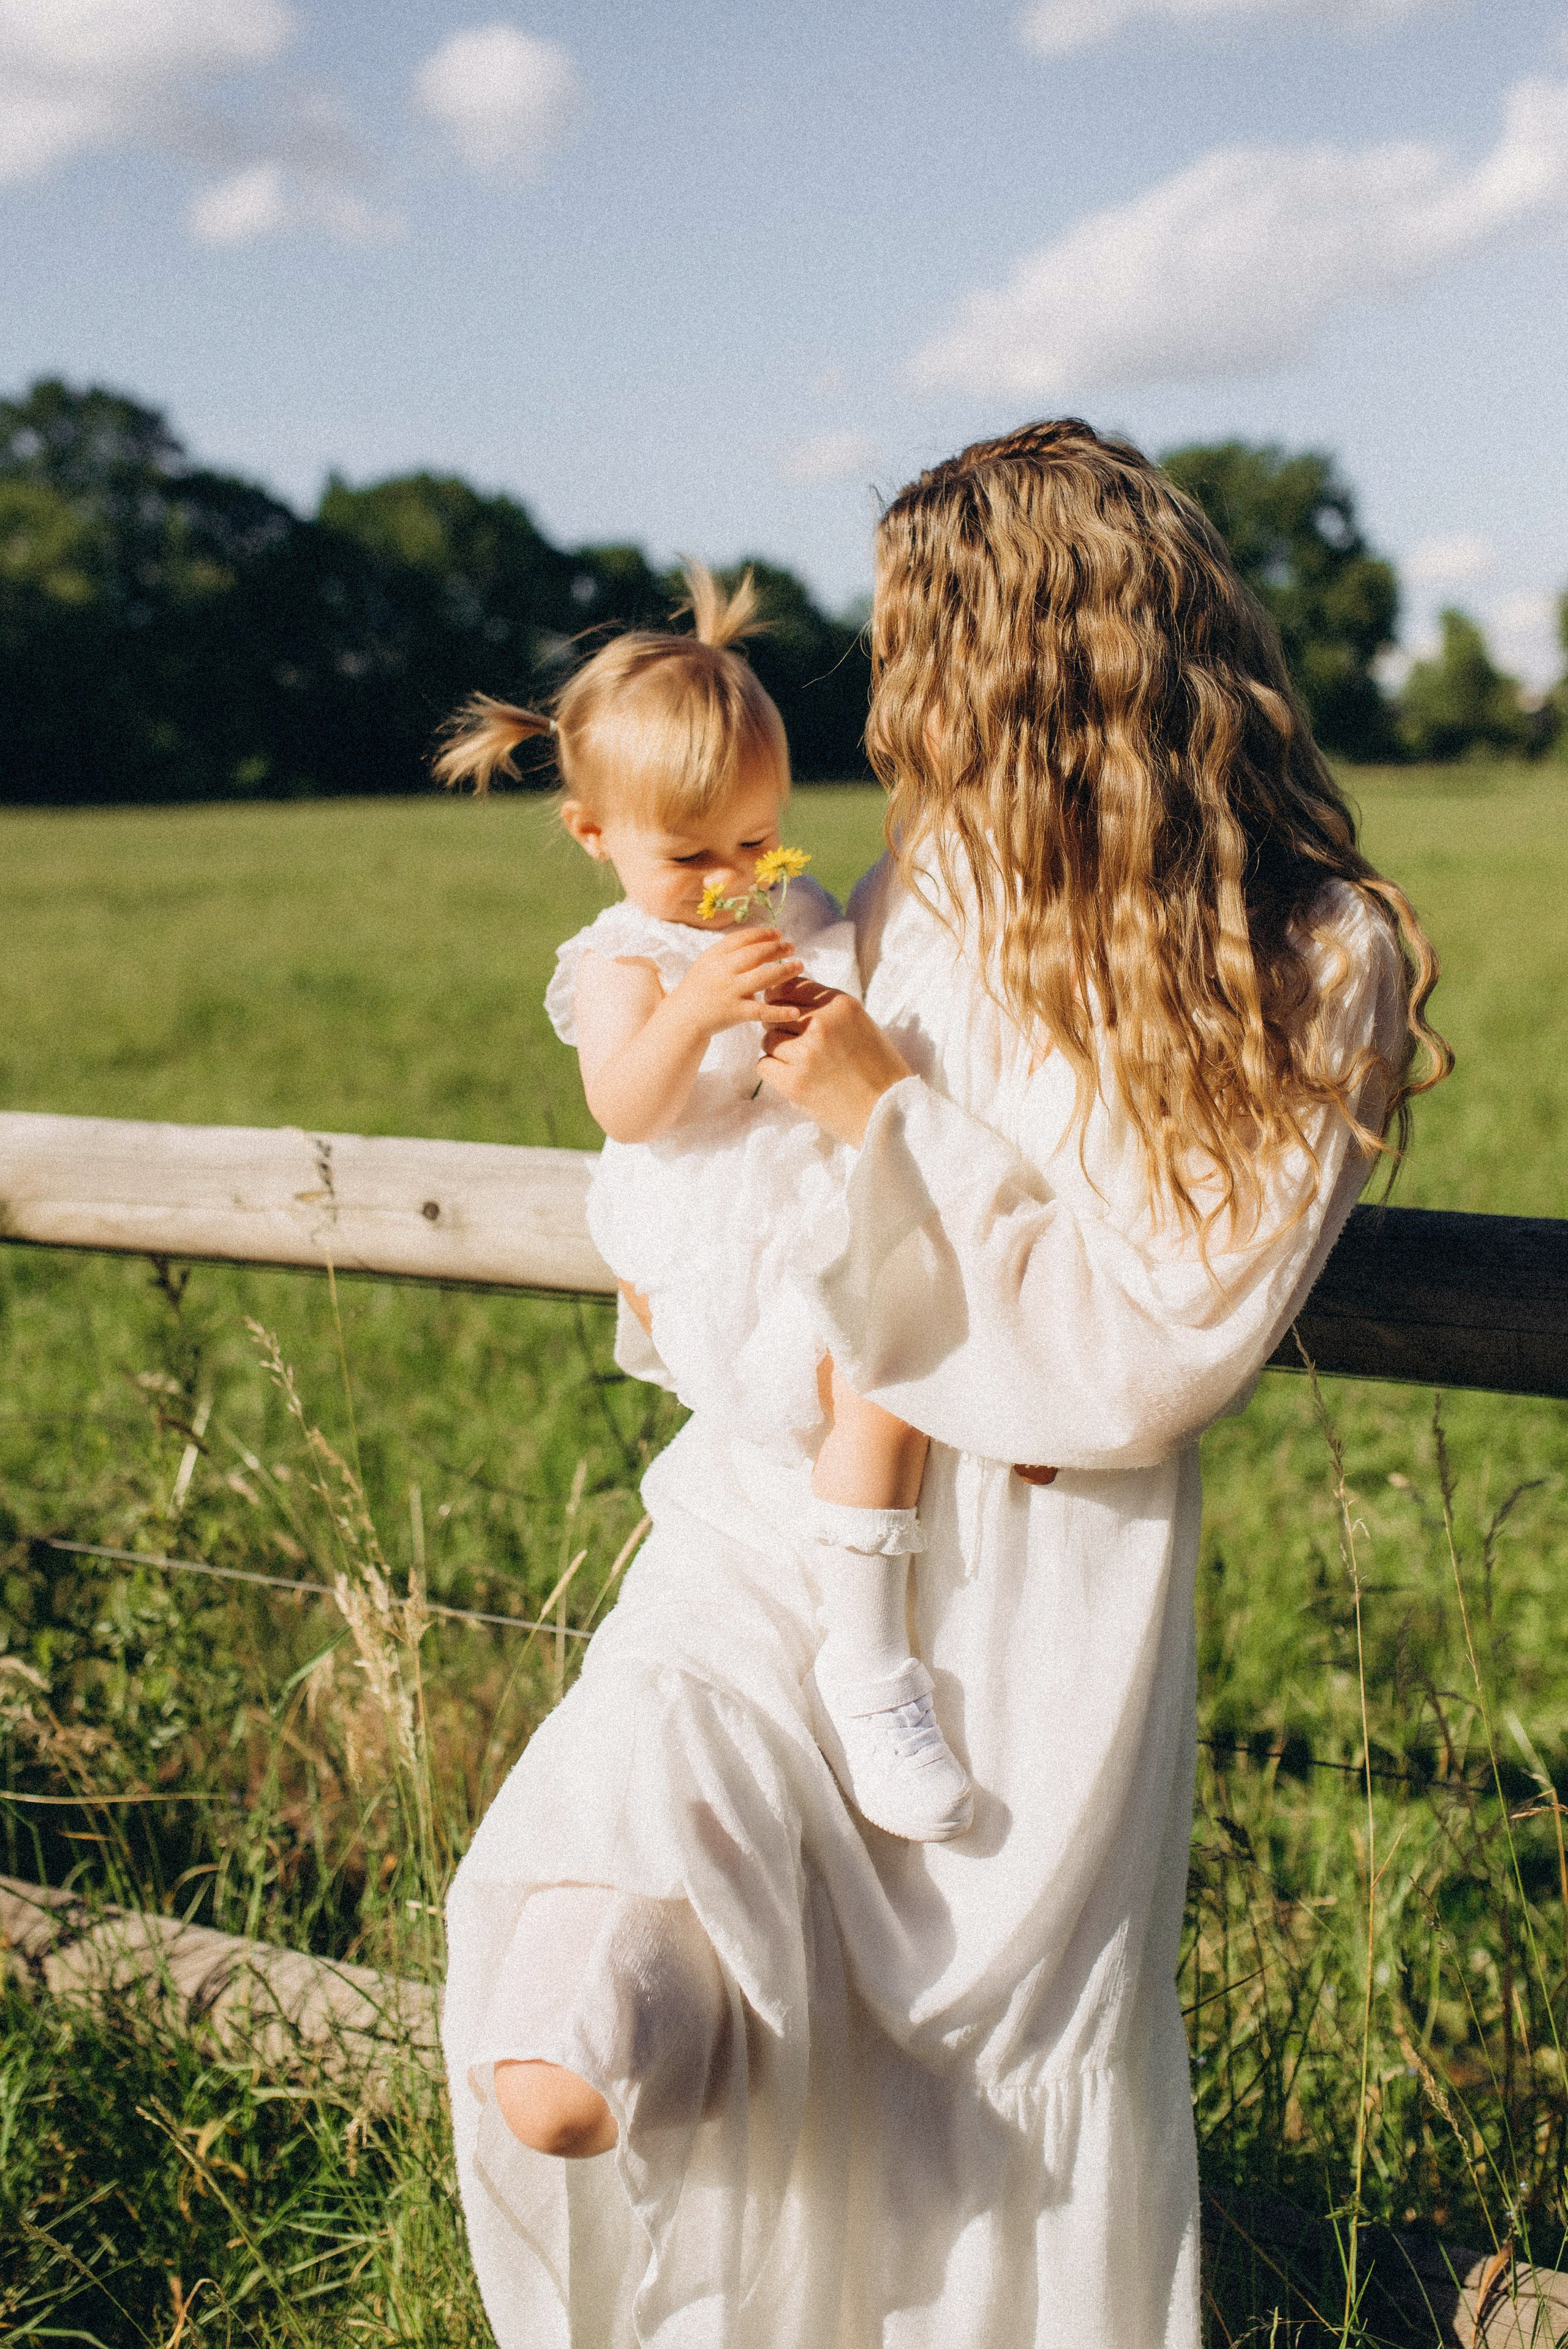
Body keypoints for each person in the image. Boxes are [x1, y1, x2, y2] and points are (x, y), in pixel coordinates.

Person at [441, 421, 1449, 2348]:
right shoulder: (932, 873)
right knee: (586, 1973)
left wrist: (892, 1112)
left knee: (971, 2123)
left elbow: (1149, 1352)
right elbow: (732, 1144)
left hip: (1035, 1600)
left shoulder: (1318, 960)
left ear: (1026, 654)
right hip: (774, 1509)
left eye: (918, 646)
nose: (890, 698)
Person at [434, 564, 973, 1844]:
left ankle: (866, 1655)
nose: (733, 878)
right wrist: (692, 1009)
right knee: (847, 1373)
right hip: (715, 1213)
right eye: (690, 856)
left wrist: (808, 992)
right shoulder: (626, 958)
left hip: (813, 1176)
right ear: (593, 837)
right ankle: (852, 1654)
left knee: (881, 1373)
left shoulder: (782, 907)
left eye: (758, 840)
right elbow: (627, 1105)